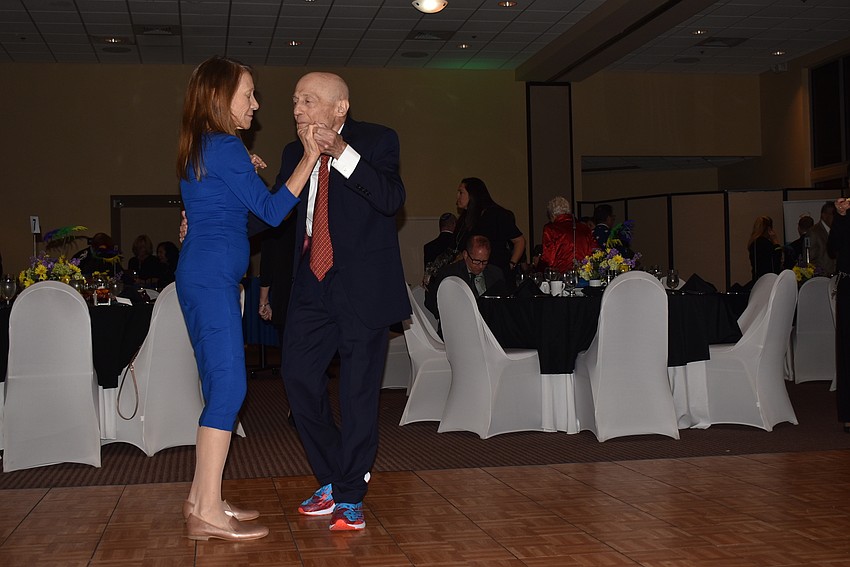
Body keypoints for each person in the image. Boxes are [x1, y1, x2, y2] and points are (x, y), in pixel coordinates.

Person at [175, 56, 320, 542]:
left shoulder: (206, 145)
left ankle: (201, 499)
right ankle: (208, 513)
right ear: (221, 98)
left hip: (206, 276)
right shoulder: (224, 147)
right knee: (230, 389)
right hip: (212, 278)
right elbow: (275, 211)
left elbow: (224, 198)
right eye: (248, 95)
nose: (256, 105)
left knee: (220, 385)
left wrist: (248, 163)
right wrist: (308, 156)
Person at [269, 71, 409, 531]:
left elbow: (391, 199)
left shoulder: (378, 139)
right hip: (311, 283)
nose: (297, 110)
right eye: (295, 101)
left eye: (307, 101)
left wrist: (341, 154)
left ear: (339, 108)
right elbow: (271, 216)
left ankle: (351, 495)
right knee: (298, 377)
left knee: (358, 393)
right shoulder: (293, 152)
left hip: (362, 288)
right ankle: (333, 476)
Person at [454, 177, 525, 281]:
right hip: (471, 275)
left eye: (461, 192)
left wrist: (511, 264)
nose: (458, 197)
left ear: (472, 194)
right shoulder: (464, 219)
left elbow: (520, 241)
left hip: (495, 274)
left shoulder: (497, 214)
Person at [424, 235, 505, 321]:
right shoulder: (449, 274)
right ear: (465, 255)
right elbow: (433, 304)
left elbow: (502, 306)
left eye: (485, 261)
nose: (481, 266)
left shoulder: (496, 274)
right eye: (476, 261)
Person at [829, 196, 850, 433]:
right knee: (847, 352)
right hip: (849, 289)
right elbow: (833, 247)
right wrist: (841, 217)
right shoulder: (844, 212)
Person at [538, 196, 596, 273]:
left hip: (561, 276)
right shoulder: (585, 228)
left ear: (552, 215)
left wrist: (538, 267)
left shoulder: (550, 229)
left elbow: (549, 258)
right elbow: (594, 251)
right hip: (584, 274)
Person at [747, 215, 782, 283]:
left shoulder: (753, 243)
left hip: (758, 280)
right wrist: (776, 242)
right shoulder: (767, 244)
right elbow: (776, 261)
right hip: (768, 280)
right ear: (769, 229)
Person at [809, 201, 836, 275]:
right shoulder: (814, 232)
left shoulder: (836, 230)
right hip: (821, 277)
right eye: (833, 214)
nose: (835, 217)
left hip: (836, 276)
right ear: (824, 215)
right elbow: (810, 259)